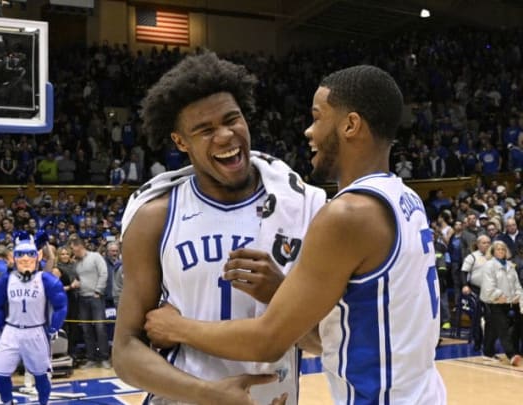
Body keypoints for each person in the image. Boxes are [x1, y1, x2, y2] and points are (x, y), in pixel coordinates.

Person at [144, 65, 447, 404]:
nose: (308, 131)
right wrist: (280, 292)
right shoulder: (405, 199)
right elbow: (329, 340)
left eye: (318, 118)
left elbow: (267, 340)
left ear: (350, 125)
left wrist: (175, 327)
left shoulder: (347, 215)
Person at [113, 52, 326, 405]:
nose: (226, 136)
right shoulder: (155, 218)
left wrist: (282, 295)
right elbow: (125, 351)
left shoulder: (302, 208)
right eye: (206, 130)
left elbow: (322, 341)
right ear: (181, 142)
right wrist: (210, 394)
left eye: (232, 119)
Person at [0, 234, 67, 405]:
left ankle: (43, 403)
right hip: (12, 329)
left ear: (37, 256)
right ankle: (7, 402)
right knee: (0, 372)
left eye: (30, 254)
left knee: (41, 374)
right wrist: (2, 326)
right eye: (21, 255)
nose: (25, 259)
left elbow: (61, 306)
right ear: (13, 258)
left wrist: (54, 328)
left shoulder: (46, 280)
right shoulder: (5, 280)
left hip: (36, 330)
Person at [70, 237, 110, 369]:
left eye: (73, 248)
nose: (72, 251)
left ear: (79, 246)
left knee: (100, 328)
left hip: (95, 297)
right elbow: (78, 278)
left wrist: (98, 291)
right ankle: (91, 358)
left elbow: (103, 273)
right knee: (86, 330)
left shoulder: (95, 257)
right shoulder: (76, 263)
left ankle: (104, 357)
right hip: (82, 297)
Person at [479, 240, 522, 365]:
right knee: (502, 327)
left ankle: (487, 352)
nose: (501, 251)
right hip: (493, 301)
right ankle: (512, 355)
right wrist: (499, 295)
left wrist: (517, 295)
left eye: (503, 249)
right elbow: (488, 285)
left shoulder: (510, 265)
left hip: (508, 302)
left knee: (492, 327)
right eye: (498, 249)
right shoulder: (489, 265)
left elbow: (516, 284)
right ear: (493, 251)